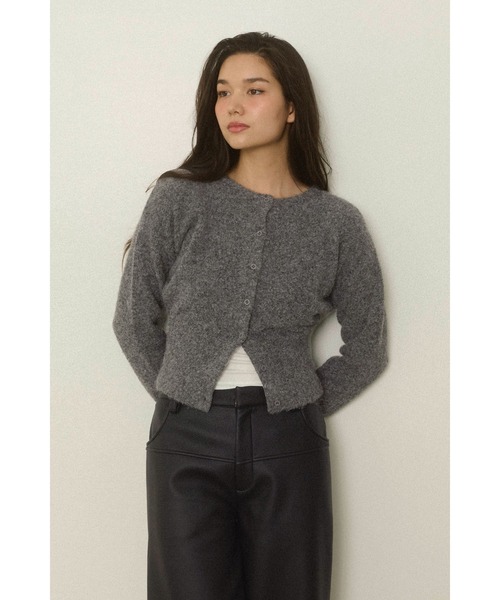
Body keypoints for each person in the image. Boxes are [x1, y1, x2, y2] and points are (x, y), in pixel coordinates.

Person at [113, 31, 388, 600]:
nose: (233, 106)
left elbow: (368, 348)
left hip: (289, 439)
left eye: (254, 90)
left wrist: (298, 403)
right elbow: (133, 320)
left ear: (291, 108)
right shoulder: (178, 198)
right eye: (223, 92)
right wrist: (179, 393)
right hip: (185, 435)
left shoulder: (336, 222)